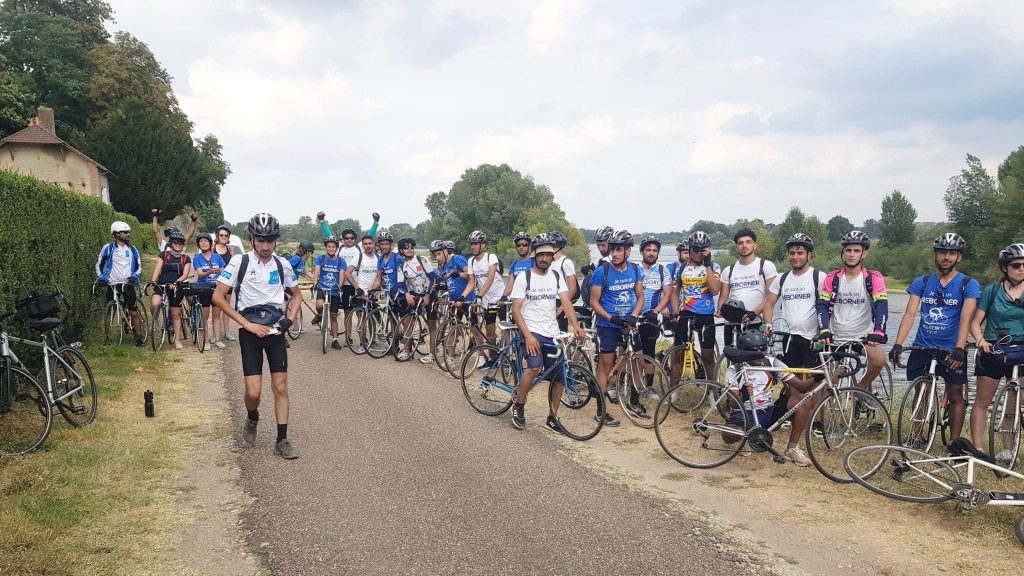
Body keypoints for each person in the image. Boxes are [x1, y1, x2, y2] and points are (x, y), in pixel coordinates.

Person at [213, 212, 302, 459]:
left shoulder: (282, 264)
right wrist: (246, 325)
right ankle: (252, 417)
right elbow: (218, 297)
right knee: (253, 393)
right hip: (250, 331)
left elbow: (296, 295)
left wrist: (288, 320)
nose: (265, 246)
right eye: (260, 240)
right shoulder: (239, 263)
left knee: (280, 386)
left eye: (270, 240)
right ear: (252, 239)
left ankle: (282, 439)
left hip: (275, 331)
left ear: (275, 241)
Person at [888, 233, 978, 447]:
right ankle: (916, 437)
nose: (946, 257)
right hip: (923, 346)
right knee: (921, 390)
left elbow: (967, 317)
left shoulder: (968, 284)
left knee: (956, 393)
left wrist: (959, 347)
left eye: (951, 253)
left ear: (959, 257)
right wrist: (898, 343)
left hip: (951, 349)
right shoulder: (923, 282)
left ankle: (955, 443)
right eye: (942, 253)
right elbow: (910, 314)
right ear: (935, 255)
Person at [509, 234, 587, 431]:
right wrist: (528, 336)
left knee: (559, 377)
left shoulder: (555, 276)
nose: (544, 258)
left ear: (554, 256)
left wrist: (576, 326)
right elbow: (516, 309)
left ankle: (553, 417)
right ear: (534, 255)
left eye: (548, 255)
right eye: (541, 254)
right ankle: (519, 405)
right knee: (534, 367)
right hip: (532, 331)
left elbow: (567, 302)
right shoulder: (523, 277)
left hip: (552, 332)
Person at [724, 330, 817, 466]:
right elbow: (732, 404)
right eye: (753, 350)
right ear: (743, 351)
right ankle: (741, 439)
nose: (759, 353)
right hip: (743, 415)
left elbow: (801, 386)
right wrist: (742, 395)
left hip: (768, 412)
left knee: (802, 400)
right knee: (729, 435)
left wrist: (818, 378)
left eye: (763, 348)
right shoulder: (734, 369)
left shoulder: (772, 363)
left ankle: (792, 449)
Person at [969, 243, 1024, 461]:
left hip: (1021, 349)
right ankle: (977, 449)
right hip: (993, 346)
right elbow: (975, 322)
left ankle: (1008, 449)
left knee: (1014, 402)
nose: (1021, 269)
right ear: (1005, 268)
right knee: (982, 401)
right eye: (1016, 265)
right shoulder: (992, 292)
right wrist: (980, 339)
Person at [816, 230, 888, 392]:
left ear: (864, 254)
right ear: (843, 252)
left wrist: (879, 331)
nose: (851, 255)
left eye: (856, 251)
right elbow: (822, 306)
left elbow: (881, 305)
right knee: (830, 386)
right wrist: (824, 329)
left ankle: (861, 390)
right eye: (848, 250)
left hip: (862, 337)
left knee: (878, 359)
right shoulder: (832, 278)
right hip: (836, 336)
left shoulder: (873, 278)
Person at [589, 230, 645, 425]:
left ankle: (635, 402)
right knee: (605, 365)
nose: (614, 253)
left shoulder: (635, 270)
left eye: (619, 249)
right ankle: (600, 411)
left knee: (637, 361)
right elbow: (593, 301)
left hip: (628, 323)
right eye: (612, 249)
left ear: (628, 251)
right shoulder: (601, 271)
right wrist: (611, 318)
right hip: (608, 325)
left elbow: (640, 297)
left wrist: (634, 316)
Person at [762, 233, 825, 368]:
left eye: (800, 253)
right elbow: (769, 304)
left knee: (815, 381)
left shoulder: (819, 277)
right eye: (792, 253)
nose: (795, 257)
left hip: (812, 338)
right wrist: (768, 324)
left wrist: (821, 335)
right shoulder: (781, 278)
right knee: (793, 381)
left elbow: (826, 308)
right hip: (789, 337)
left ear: (809, 254)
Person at [670, 231, 722, 380]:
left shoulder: (714, 267)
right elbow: (675, 292)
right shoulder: (681, 268)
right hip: (685, 313)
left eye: (702, 249)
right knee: (678, 355)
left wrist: (708, 265)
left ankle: (712, 392)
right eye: (695, 249)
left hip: (706, 315)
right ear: (690, 249)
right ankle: (672, 394)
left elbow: (714, 290)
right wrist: (675, 311)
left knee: (708, 356)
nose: (699, 253)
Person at [718, 227, 777, 346]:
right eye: (740, 243)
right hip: (732, 322)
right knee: (733, 358)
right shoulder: (729, 270)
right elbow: (723, 296)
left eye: (748, 242)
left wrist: (754, 313)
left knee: (757, 360)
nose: (744, 246)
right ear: (736, 247)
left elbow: (770, 296)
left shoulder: (766, 266)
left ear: (755, 245)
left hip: (757, 321)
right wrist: (720, 310)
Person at [95, 221, 144, 346]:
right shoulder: (109, 248)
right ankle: (108, 337)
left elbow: (139, 266)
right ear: (117, 234)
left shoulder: (132, 249)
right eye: (125, 232)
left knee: (133, 311)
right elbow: (99, 264)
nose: (128, 234)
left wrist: (134, 277)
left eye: (129, 232)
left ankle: (138, 337)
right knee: (111, 310)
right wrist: (101, 277)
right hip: (112, 283)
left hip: (128, 283)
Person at [150, 228, 193, 349]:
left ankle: (177, 340)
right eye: (175, 242)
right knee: (154, 304)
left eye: (180, 243)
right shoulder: (164, 255)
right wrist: (153, 281)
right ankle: (156, 320)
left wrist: (176, 282)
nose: (178, 245)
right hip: (162, 284)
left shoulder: (186, 258)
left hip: (176, 286)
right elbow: (158, 268)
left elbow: (185, 274)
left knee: (176, 314)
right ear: (171, 244)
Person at [396, 238, 437, 361]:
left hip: (429, 294)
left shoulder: (422, 260)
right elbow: (400, 284)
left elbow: (433, 279)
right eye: (406, 248)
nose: (409, 249)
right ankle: (408, 351)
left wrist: (428, 295)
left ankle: (432, 354)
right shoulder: (402, 266)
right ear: (401, 250)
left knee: (431, 325)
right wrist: (407, 294)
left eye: (411, 247)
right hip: (414, 296)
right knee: (408, 322)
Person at [312, 236, 355, 350]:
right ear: (326, 247)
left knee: (333, 316)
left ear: (336, 248)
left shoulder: (341, 261)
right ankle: (320, 315)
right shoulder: (320, 259)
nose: (331, 249)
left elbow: (341, 274)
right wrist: (315, 283)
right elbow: (317, 271)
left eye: (333, 247)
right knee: (319, 305)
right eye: (329, 246)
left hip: (334, 290)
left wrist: (340, 285)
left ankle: (335, 339)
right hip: (322, 287)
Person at [637, 235, 672, 367]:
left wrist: (656, 311)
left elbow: (668, 294)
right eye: (648, 250)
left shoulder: (663, 270)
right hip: (634, 316)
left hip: (651, 317)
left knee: (649, 354)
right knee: (632, 353)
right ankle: (631, 384)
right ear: (641, 252)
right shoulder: (634, 269)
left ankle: (649, 386)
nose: (651, 253)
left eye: (654, 250)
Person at [468, 230, 505, 344]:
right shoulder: (471, 261)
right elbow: (471, 283)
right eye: (471, 244)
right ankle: (493, 359)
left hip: (500, 297)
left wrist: (479, 296)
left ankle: (510, 355)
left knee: (507, 329)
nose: (472, 246)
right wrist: (462, 297)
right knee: (490, 332)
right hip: (487, 301)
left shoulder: (491, 257)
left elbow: (490, 279)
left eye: (475, 244)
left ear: (483, 245)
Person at [193, 233, 227, 349]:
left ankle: (217, 339)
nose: (203, 243)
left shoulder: (217, 256)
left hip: (216, 289)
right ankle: (206, 341)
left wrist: (220, 277)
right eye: (201, 241)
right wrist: (210, 272)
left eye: (206, 241)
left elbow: (223, 269)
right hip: (203, 288)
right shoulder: (197, 258)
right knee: (205, 315)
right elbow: (200, 273)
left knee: (217, 314)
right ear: (198, 244)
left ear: (210, 243)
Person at [215, 225, 241, 343]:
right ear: (217, 236)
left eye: (226, 235)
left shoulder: (230, 250)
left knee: (226, 307)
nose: (224, 237)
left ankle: (227, 332)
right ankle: (216, 333)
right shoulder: (212, 249)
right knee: (215, 309)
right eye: (221, 235)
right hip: (214, 282)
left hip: (228, 282)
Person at [549, 230, 579, 329]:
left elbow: (572, 289)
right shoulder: (550, 263)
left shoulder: (566, 262)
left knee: (561, 335)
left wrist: (562, 308)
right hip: (550, 301)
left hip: (561, 302)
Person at [502, 231, 534, 300]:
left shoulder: (534, 262)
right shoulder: (514, 264)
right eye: (518, 245)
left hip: (531, 299)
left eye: (524, 245)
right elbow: (510, 284)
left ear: (529, 246)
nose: (521, 247)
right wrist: (503, 297)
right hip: (518, 299)